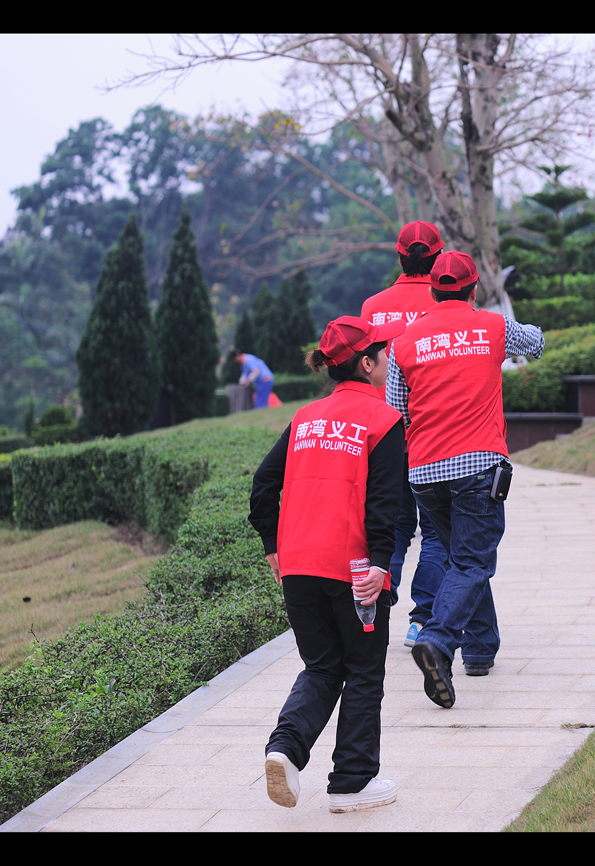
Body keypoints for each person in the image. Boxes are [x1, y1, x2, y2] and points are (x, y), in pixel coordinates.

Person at [248, 314, 407, 813]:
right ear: (366, 363)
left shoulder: (304, 419)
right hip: (355, 571)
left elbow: (261, 488)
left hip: (298, 568)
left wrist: (274, 546)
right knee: (362, 669)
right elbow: (386, 505)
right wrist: (381, 564)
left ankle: (285, 750)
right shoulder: (383, 421)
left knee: (321, 666)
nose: (387, 357)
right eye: (381, 351)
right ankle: (352, 784)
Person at [385, 250, 544, 708]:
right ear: (474, 289)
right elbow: (534, 344)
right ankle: (437, 640)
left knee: (464, 555)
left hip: (424, 471)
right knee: (473, 561)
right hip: (477, 466)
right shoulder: (492, 327)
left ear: (432, 290)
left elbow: (397, 412)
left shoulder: (404, 342)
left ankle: (479, 651)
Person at [361, 221, 448, 648]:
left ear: (399, 257)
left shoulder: (373, 307)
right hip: (433, 438)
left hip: (380, 437)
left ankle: (377, 602)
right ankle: (422, 620)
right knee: (435, 533)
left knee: (393, 529)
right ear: (438, 258)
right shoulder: (443, 307)